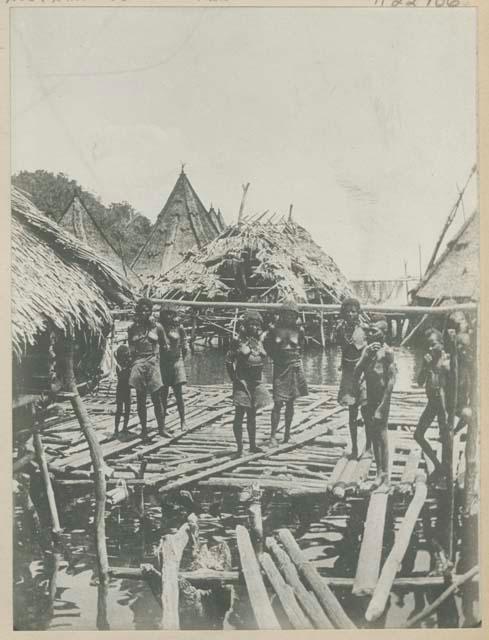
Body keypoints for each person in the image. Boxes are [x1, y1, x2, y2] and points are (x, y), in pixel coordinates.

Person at [354, 320, 396, 492]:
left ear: (383, 333)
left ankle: (385, 476)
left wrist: (383, 406)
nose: (371, 334)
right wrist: (365, 358)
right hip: (370, 397)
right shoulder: (368, 350)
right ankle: (379, 473)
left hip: (382, 398)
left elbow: (392, 381)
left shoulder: (388, 352)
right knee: (373, 434)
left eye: (375, 331)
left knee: (382, 435)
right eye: (370, 331)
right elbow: (356, 372)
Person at [225, 311, 271, 457]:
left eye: (256, 324)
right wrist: (234, 379)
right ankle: (239, 448)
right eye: (250, 324)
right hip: (242, 381)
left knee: (252, 415)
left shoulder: (259, 341)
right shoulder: (237, 341)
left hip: (256, 382)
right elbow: (228, 361)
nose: (253, 327)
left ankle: (252, 445)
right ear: (244, 325)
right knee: (240, 414)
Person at [264, 301, 308, 445]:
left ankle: (287, 434)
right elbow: (267, 347)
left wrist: (296, 358)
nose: (289, 317)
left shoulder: (299, 331)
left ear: (295, 316)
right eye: (286, 314)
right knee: (278, 402)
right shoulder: (274, 330)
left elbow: (301, 347)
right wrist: (276, 357)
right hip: (280, 368)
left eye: (292, 315)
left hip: (294, 367)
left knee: (291, 403)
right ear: (281, 316)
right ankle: (272, 435)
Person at [128, 297, 169, 440]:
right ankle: (144, 430)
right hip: (139, 362)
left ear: (151, 311)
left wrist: (159, 360)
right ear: (138, 312)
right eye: (142, 310)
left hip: (152, 361)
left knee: (157, 397)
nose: (145, 313)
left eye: (147, 310)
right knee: (140, 398)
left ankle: (162, 428)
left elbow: (165, 346)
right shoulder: (132, 328)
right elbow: (131, 347)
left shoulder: (158, 327)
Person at [335, 297, 371, 459]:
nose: (350, 314)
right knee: (352, 413)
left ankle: (369, 447)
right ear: (343, 313)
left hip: (363, 374)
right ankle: (355, 447)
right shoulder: (340, 330)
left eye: (353, 311)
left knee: (366, 411)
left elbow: (372, 348)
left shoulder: (364, 329)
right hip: (349, 375)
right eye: (347, 311)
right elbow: (339, 345)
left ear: (358, 313)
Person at [413, 329, 450, 486]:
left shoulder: (447, 361)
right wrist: (425, 366)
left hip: (444, 405)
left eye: (433, 344)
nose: (430, 348)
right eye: (428, 345)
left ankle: (446, 471)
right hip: (432, 404)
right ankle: (438, 465)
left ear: (441, 344)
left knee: (445, 437)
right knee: (418, 435)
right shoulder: (429, 359)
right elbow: (420, 382)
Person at [158, 304, 189, 432]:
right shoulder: (159, 328)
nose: (169, 316)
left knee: (178, 394)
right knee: (163, 394)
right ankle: (162, 423)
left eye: (171, 313)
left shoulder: (179, 328)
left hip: (176, 361)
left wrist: (180, 360)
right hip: (164, 363)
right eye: (166, 313)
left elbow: (185, 346)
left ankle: (183, 421)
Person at [114, 344, 131, 437]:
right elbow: (122, 376)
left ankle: (125, 427)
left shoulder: (127, 365)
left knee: (127, 409)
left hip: (126, 389)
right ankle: (116, 429)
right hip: (121, 389)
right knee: (119, 410)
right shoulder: (119, 366)